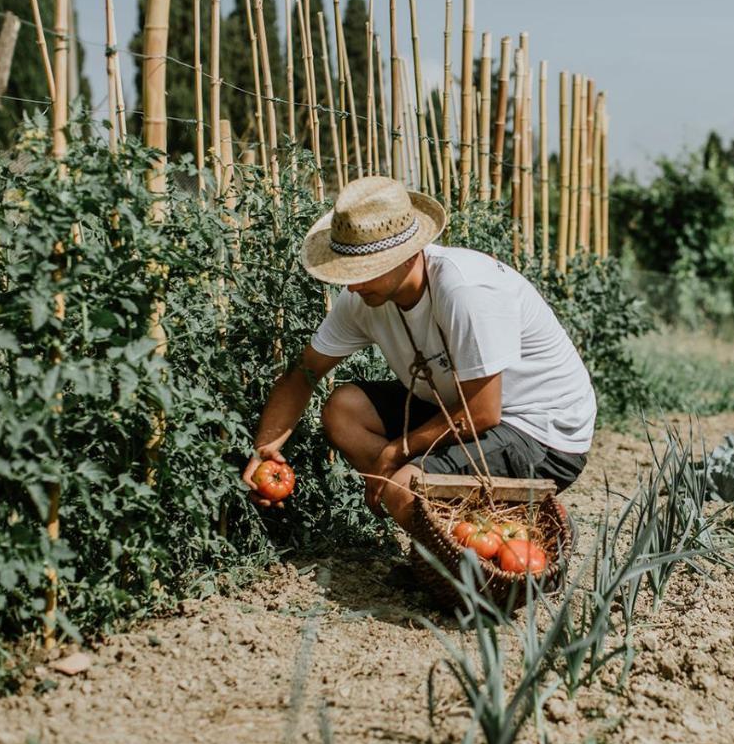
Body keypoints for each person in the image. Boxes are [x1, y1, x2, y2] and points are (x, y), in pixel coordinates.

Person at [242, 175, 595, 531]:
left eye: (366, 271)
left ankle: (501, 536)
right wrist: (263, 452)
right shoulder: (364, 298)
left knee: (403, 488)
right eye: (349, 272)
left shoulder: (464, 291)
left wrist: (396, 452)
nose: (353, 284)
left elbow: (483, 412)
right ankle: (454, 529)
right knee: (344, 410)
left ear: (408, 254)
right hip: (461, 407)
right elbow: (303, 373)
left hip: (541, 431)